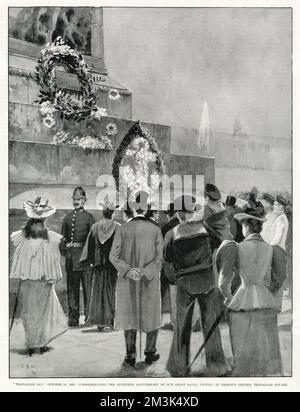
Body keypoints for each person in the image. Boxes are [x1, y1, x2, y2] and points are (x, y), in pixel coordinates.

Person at [216, 210, 287, 376]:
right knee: (265, 345)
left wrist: (228, 297)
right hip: (265, 299)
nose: (242, 229)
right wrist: (270, 293)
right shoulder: (272, 249)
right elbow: (280, 277)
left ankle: (244, 371)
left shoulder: (236, 247)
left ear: (246, 227)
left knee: (244, 344)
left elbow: (223, 281)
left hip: (243, 298)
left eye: (242, 226)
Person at [164, 195, 228, 377]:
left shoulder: (172, 233)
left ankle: (179, 367)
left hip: (184, 282)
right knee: (210, 324)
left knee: (182, 325)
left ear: (179, 213)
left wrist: (175, 278)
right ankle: (217, 367)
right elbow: (218, 245)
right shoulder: (206, 228)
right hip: (207, 279)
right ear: (192, 211)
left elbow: (167, 259)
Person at [109, 191, 163, 367]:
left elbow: (114, 256)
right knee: (151, 313)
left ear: (132, 208)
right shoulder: (155, 229)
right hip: (149, 280)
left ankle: (130, 355)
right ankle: (149, 353)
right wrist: (144, 272)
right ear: (147, 208)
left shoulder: (123, 229)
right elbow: (159, 259)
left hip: (128, 280)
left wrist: (128, 270)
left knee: (129, 314)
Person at [10, 195, 68, 356]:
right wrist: (22, 275)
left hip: (43, 282)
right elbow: (19, 260)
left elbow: (53, 259)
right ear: (31, 223)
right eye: (34, 222)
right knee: (30, 314)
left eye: (39, 222)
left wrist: (51, 277)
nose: (37, 225)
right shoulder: (24, 238)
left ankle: (39, 342)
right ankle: (33, 343)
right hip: (29, 282)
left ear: (42, 223)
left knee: (41, 313)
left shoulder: (50, 238)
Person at [80, 199, 120, 332]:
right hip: (112, 265)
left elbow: (89, 246)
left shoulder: (95, 227)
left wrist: (90, 261)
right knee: (110, 291)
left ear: (103, 213)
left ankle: (99, 322)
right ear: (112, 213)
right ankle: (111, 320)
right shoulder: (118, 227)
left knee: (97, 292)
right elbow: (121, 247)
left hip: (97, 264)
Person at [60, 187, 95, 327]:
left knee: (88, 290)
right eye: (74, 199)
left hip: (85, 261)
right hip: (72, 261)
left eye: (79, 199)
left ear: (84, 201)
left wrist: (92, 259)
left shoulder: (89, 218)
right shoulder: (67, 218)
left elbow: (93, 240)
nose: (76, 201)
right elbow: (62, 240)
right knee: (72, 291)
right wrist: (64, 248)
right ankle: (73, 318)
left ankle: (89, 317)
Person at [160, 203, 180, 331]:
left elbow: (162, 249)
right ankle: (177, 320)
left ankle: (162, 320)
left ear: (168, 214)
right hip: (180, 264)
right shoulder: (182, 225)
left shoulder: (166, 228)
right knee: (177, 293)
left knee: (163, 292)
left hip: (167, 264)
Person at [268, 195, 290, 310]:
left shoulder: (281, 219)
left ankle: (275, 306)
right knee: (277, 277)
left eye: (276, 205)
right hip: (278, 250)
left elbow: (277, 237)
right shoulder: (282, 217)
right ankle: (276, 306)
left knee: (277, 278)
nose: (273, 206)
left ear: (281, 207)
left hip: (277, 250)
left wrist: (268, 245)